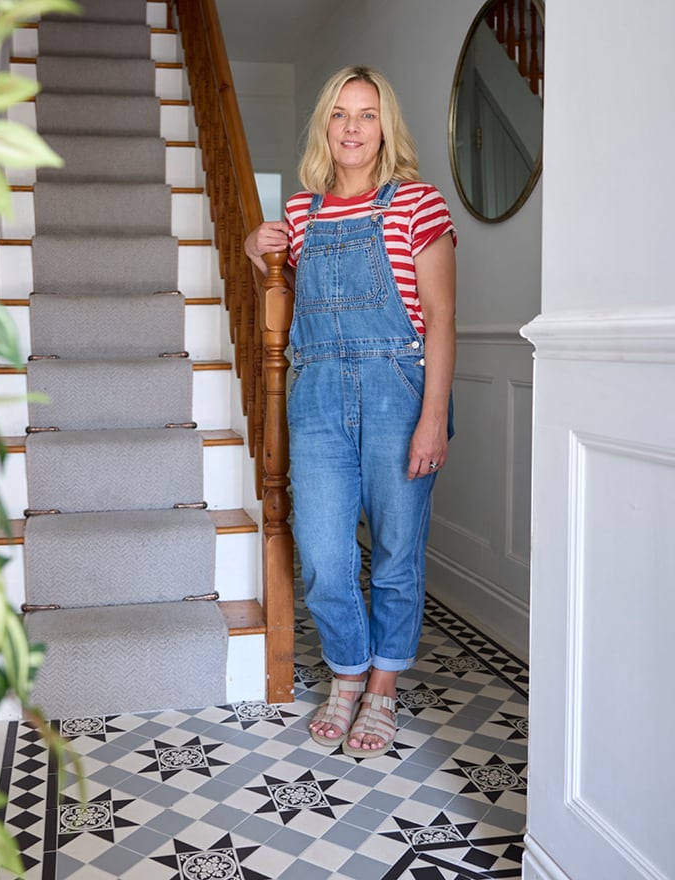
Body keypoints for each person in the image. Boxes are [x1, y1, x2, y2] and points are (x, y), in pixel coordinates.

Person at [244, 65, 456, 758]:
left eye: (366, 114)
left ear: (384, 126)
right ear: (325, 127)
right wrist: (254, 251)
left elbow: (442, 321)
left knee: (396, 555)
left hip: (399, 392)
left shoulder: (419, 204)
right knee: (326, 558)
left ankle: (383, 689)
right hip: (318, 398)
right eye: (340, 114)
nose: (353, 128)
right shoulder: (302, 213)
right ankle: (346, 674)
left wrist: (432, 418)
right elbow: (289, 299)